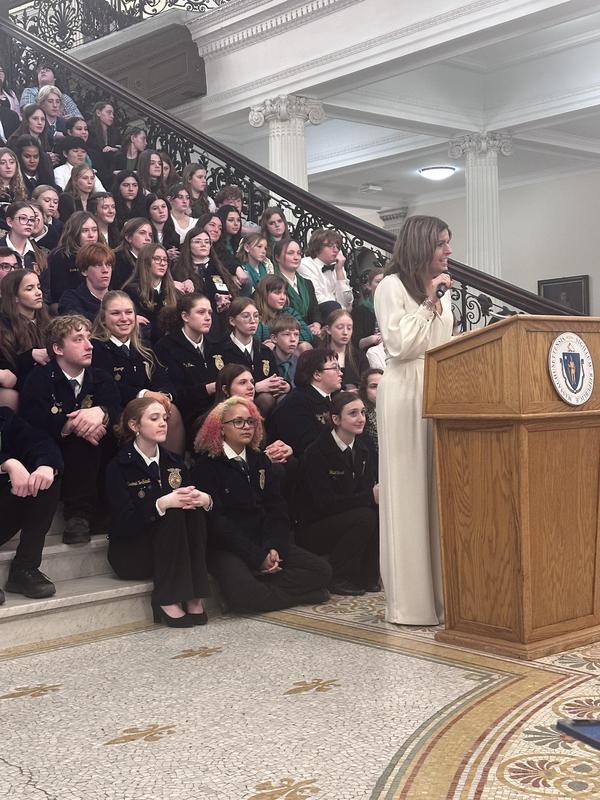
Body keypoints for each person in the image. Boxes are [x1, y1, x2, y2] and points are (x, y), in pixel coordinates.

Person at [374, 215, 453, 626]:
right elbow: (401, 344)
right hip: (404, 388)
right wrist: (428, 304)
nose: (448, 251)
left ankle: (443, 596)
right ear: (423, 245)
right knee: (407, 489)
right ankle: (410, 603)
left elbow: (444, 343)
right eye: (442, 243)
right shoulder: (390, 287)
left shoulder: (445, 291)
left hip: (438, 385)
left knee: (436, 490)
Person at [192, 396, 330, 612]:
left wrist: (273, 546)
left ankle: (264, 590)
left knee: (322, 571)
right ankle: (306, 594)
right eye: (238, 422)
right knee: (247, 597)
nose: (246, 427)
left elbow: (277, 508)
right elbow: (218, 523)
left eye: (250, 421)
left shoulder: (260, 461)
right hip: (229, 547)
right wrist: (256, 557)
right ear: (220, 428)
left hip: (264, 539)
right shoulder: (206, 467)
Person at [106, 397, 211, 627]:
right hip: (133, 552)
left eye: (164, 418)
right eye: (154, 419)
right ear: (134, 426)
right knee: (171, 510)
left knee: (191, 508)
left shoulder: (174, 461)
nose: (163, 423)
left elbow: (191, 501)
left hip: (173, 548)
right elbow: (124, 522)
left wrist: (204, 500)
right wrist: (159, 505)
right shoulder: (119, 467)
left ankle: (195, 595)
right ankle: (166, 598)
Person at [19, 314, 121, 544]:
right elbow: (31, 421)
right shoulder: (39, 379)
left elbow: (116, 407)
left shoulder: (101, 377)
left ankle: (108, 508)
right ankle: (78, 515)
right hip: (54, 454)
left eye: (88, 338)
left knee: (106, 436)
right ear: (58, 348)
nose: (89, 345)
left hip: (98, 454)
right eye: (78, 339)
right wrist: (71, 424)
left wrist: (101, 412)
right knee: (82, 439)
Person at [294, 391, 379, 596]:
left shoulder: (364, 446)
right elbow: (324, 504)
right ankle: (338, 575)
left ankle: (368, 575)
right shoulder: (316, 452)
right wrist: (369, 496)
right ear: (335, 419)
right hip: (315, 525)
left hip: (349, 517)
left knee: (376, 513)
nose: (361, 419)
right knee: (365, 515)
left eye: (362, 413)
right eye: (353, 414)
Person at [91, 290, 183, 454]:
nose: (124, 318)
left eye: (129, 312)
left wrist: (164, 397)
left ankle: (172, 471)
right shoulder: (95, 348)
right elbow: (108, 389)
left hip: (150, 410)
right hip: (116, 412)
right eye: (116, 313)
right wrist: (144, 394)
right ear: (103, 319)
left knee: (171, 410)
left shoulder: (143, 350)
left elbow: (163, 380)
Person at [0, 405, 63, 603]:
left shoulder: (4, 417)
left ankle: (25, 567)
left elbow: (39, 441)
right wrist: (7, 463)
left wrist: (46, 465)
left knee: (45, 479)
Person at [211, 296, 289, 416]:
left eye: (256, 316)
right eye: (246, 316)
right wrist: (256, 387)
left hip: (266, 404)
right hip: (232, 406)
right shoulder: (219, 350)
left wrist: (285, 386)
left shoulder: (265, 350)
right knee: (265, 399)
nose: (253, 321)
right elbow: (221, 388)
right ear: (232, 321)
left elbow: (275, 376)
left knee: (285, 398)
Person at [154, 293, 217, 432]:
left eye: (210, 313)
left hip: (219, 409)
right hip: (188, 415)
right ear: (185, 316)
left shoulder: (216, 344)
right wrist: (209, 388)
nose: (207, 317)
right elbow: (175, 394)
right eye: (201, 312)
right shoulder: (166, 347)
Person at [267, 348, 342, 457]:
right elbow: (307, 447)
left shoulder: (335, 398)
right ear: (317, 375)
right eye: (335, 368)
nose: (340, 373)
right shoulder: (296, 403)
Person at [0, 268, 50, 396]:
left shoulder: (49, 322)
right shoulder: (4, 327)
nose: (38, 292)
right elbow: (8, 369)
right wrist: (31, 356)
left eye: (38, 287)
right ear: (15, 297)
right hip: (23, 387)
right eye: (30, 289)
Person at [122, 242, 179, 344]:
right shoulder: (131, 291)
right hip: (144, 345)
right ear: (145, 261)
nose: (162, 263)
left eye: (165, 260)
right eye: (157, 259)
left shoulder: (174, 292)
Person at [44, 211, 102, 306]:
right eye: (85, 231)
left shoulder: (104, 254)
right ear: (74, 232)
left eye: (94, 230)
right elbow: (58, 295)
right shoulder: (59, 256)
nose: (91, 235)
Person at [299, 228, 353, 316]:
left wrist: (339, 270)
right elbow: (316, 298)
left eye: (337, 247)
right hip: (317, 313)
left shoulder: (338, 265)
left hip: (338, 314)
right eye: (331, 246)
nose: (336, 250)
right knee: (332, 306)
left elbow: (348, 301)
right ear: (317, 247)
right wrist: (343, 309)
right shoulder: (305, 264)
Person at [274, 238, 321, 336]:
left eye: (299, 253)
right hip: (286, 332)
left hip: (310, 331)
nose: (296, 257)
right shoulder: (273, 283)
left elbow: (315, 310)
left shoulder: (307, 283)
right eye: (290, 253)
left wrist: (316, 324)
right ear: (277, 257)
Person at [58, 241, 113, 321]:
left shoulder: (120, 298)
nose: (105, 270)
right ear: (84, 271)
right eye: (98, 265)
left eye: (108, 265)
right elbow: (78, 322)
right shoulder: (71, 298)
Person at [254, 274, 312, 344]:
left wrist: (279, 340)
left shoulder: (289, 312)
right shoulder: (254, 314)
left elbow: (307, 334)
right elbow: (255, 336)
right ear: (264, 294)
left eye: (284, 293)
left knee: (304, 346)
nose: (283, 297)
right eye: (277, 293)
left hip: (290, 352)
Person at [320, 309, 369, 390]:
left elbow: (366, 384)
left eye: (349, 328)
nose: (345, 332)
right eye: (340, 327)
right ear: (328, 330)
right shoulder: (318, 356)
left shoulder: (359, 356)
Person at [111, 217, 154, 289]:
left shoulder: (151, 260)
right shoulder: (118, 259)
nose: (148, 238)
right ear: (128, 237)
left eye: (150, 235)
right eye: (142, 233)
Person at [353, 267, 384, 351]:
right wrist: (371, 339)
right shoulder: (360, 311)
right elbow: (355, 343)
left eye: (385, 282)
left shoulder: (395, 308)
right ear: (369, 286)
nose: (382, 284)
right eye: (378, 281)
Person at [358, 367, 383, 471]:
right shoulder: (361, 413)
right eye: (374, 386)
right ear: (365, 390)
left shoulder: (398, 410)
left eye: (383, 386)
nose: (380, 390)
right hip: (373, 467)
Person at [269, 314, 300, 388]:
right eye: (287, 334)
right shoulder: (266, 361)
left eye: (296, 334)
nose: (293, 339)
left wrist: (290, 387)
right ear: (274, 338)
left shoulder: (301, 363)